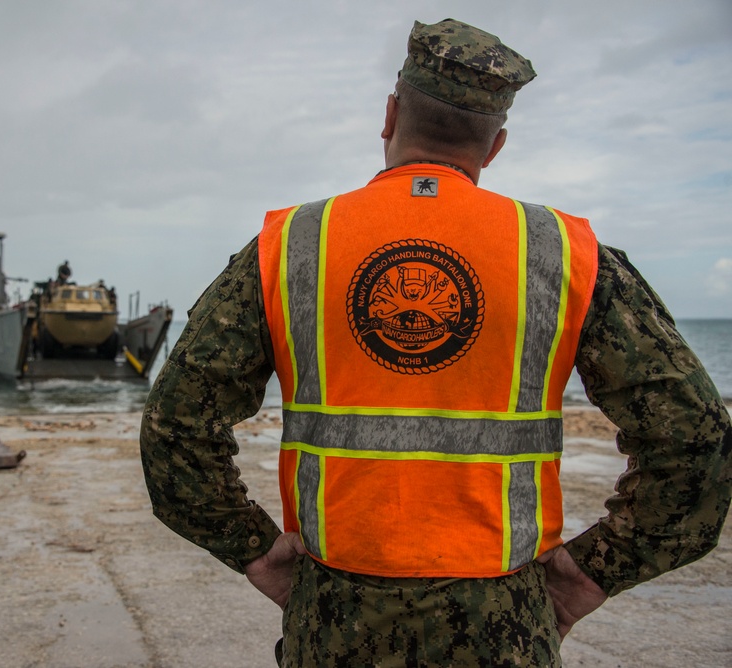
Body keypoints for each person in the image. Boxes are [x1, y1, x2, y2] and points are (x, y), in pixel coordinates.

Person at [140, 18, 731, 667]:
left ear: (391, 114)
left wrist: (252, 548)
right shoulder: (564, 256)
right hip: (504, 624)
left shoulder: (290, 249)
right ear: (496, 143)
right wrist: (589, 573)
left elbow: (176, 427)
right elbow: (695, 439)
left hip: (336, 618)